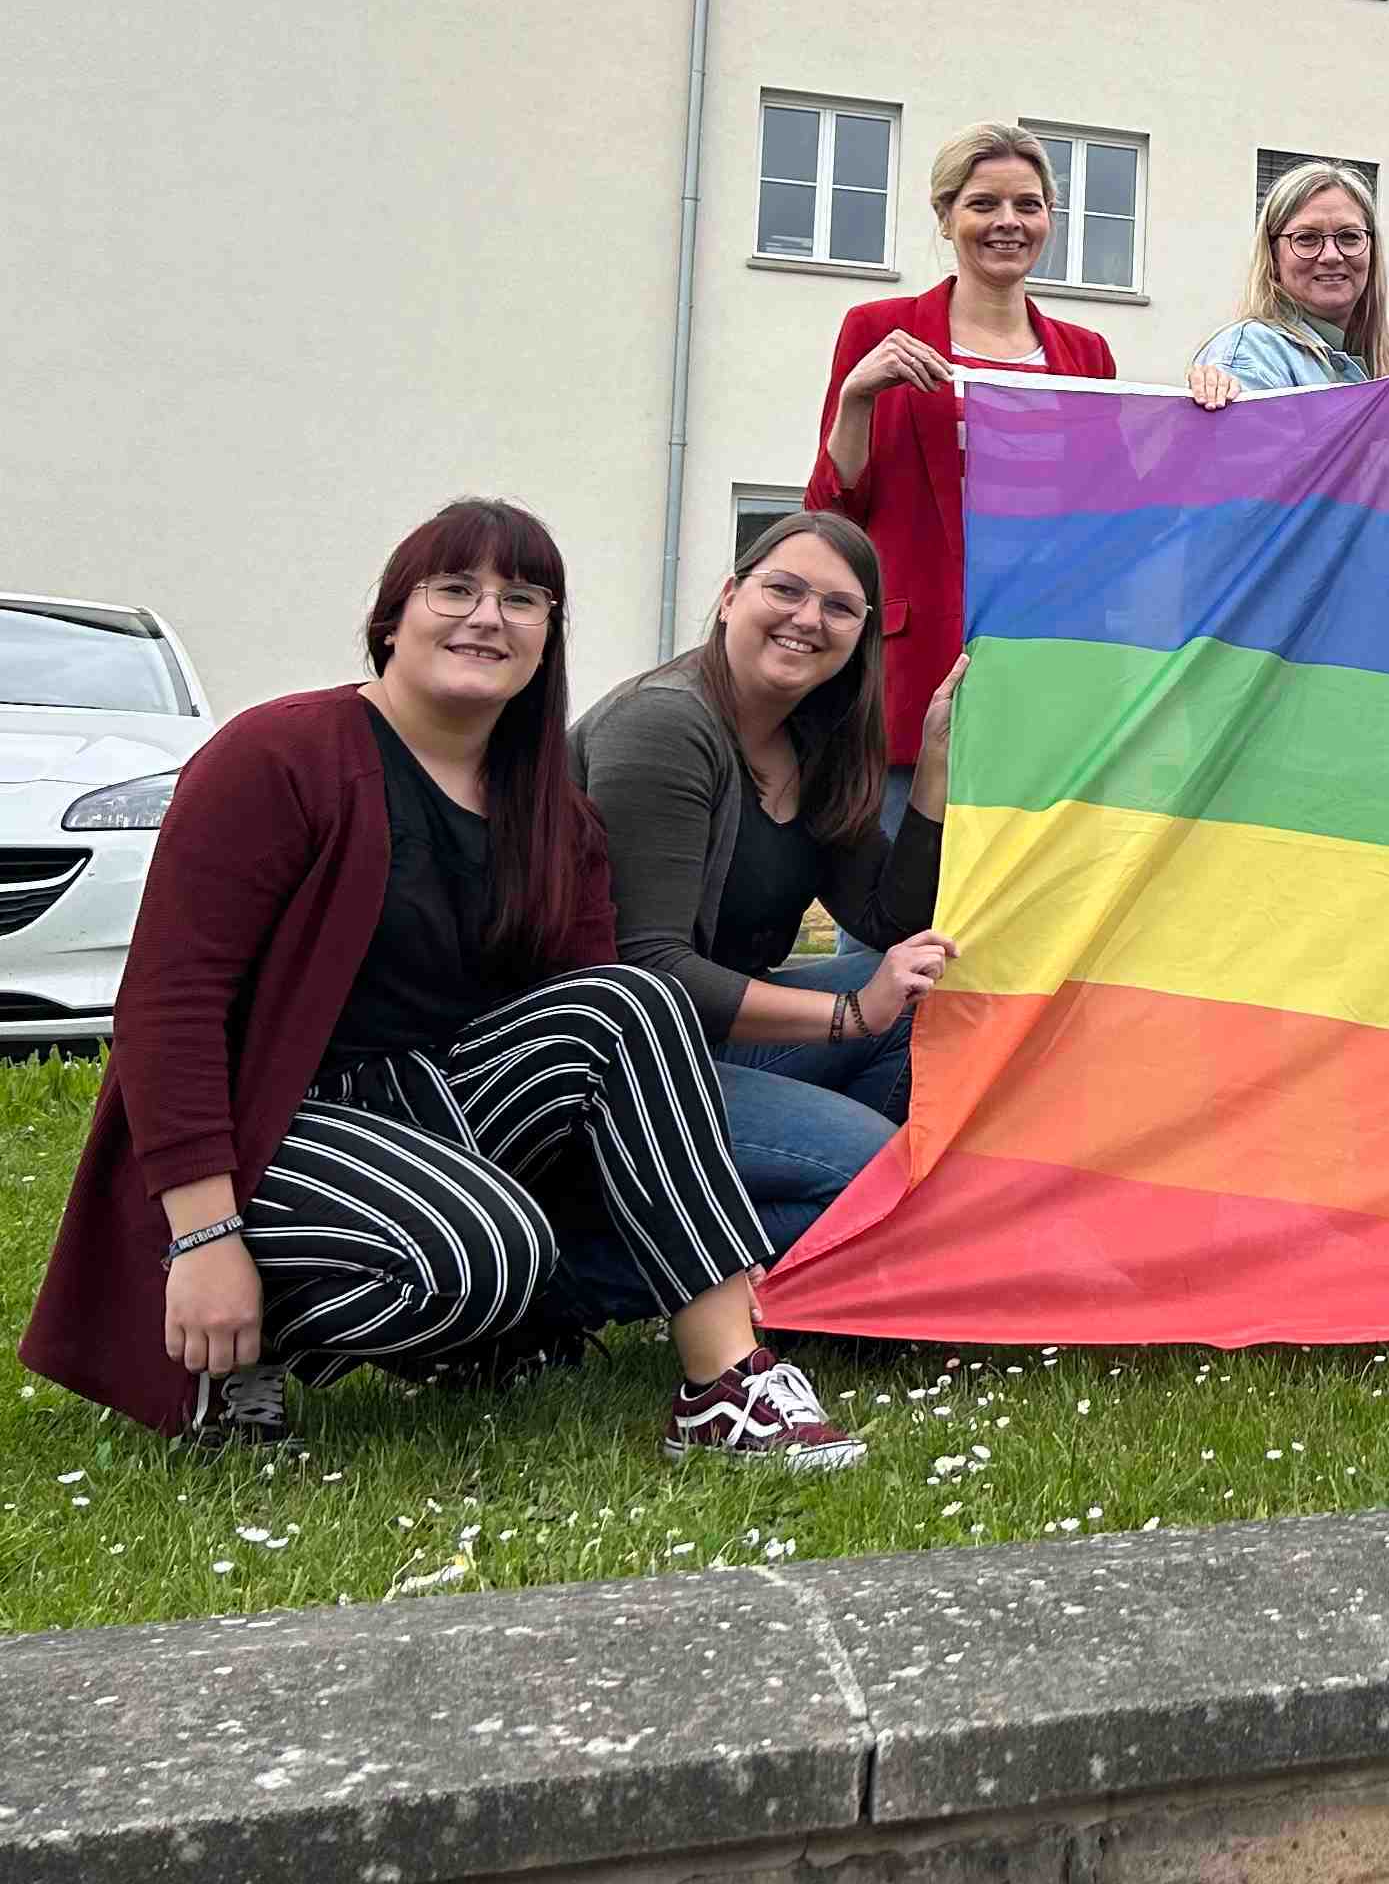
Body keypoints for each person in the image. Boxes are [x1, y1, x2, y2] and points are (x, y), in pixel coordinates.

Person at [18, 501, 860, 1463]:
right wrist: (202, 1239)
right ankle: (237, 1354)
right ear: (391, 619)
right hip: (272, 1121)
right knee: (480, 1251)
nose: (487, 616)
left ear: (548, 636)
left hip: (432, 1109)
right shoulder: (282, 755)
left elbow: (591, 1043)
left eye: (522, 597)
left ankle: (723, 1387)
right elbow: (170, 1004)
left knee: (633, 1000)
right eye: (454, 589)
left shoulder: (552, 816)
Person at [569, 512, 962, 1271]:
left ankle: (824, 1233)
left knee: (940, 973)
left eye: (840, 606)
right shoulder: (663, 724)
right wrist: (850, 1013)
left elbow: (891, 919)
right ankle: (579, 1268)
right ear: (727, 597)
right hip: (614, 1072)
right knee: (876, 1173)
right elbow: (649, 966)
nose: (808, 618)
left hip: (710, 1047)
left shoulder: (811, 740)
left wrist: (935, 765)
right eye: (784, 589)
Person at [807, 123, 1116, 814]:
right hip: (914, 675)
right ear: (945, 216)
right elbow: (832, 512)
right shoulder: (879, 329)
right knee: (892, 909)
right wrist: (858, 396)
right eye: (983, 203)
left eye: (1028, 204)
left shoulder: (1086, 354)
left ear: (1049, 219)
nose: (1007, 222)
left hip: (1043, 680)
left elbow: (1109, 519)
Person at [1189, 160, 1389, 404]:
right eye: (1307, 238)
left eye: (1349, 236)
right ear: (1274, 256)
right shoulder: (1252, 354)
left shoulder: (1381, 371)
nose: (1331, 255)